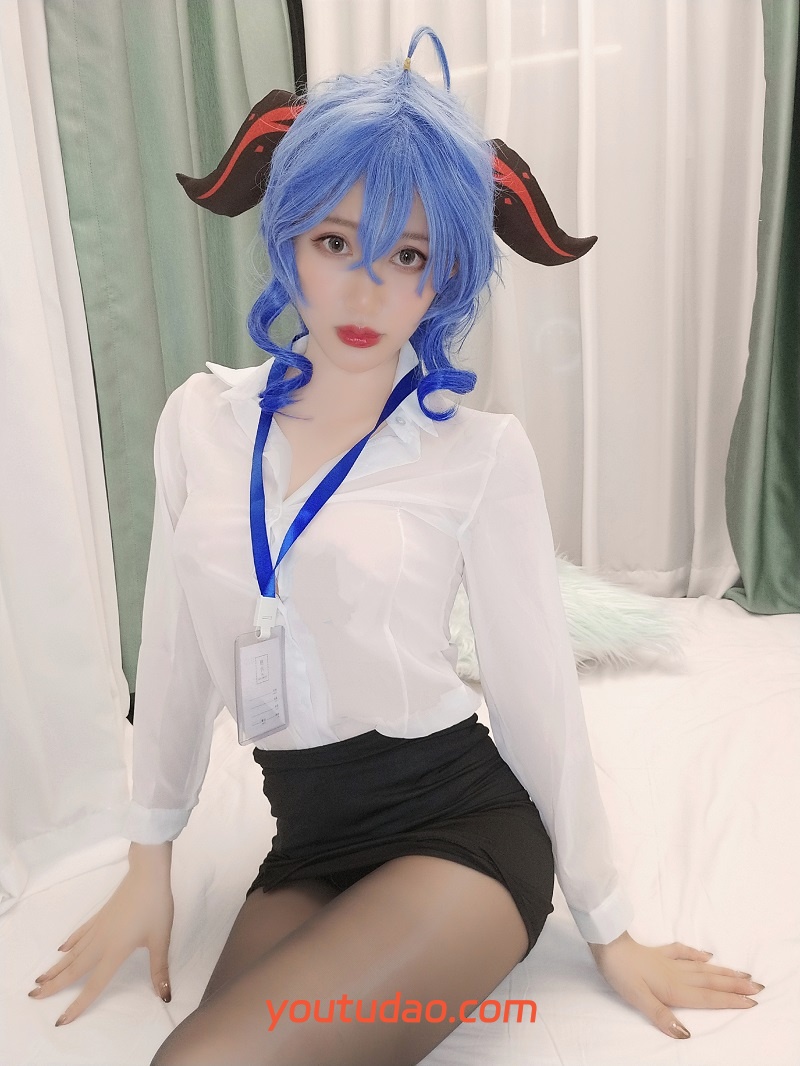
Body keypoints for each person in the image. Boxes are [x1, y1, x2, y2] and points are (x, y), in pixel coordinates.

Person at [28, 26, 763, 1066]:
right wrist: (150, 859)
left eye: (407, 256)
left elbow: (537, 698)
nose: (367, 289)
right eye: (336, 243)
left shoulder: (478, 455)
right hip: (305, 837)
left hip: (456, 824)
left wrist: (609, 927)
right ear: (287, 239)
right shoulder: (200, 421)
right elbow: (176, 648)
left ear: (442, 277)